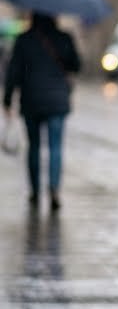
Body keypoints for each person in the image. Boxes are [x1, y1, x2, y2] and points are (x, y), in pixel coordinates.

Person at [2, 11, 81, 209]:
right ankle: (54, 188)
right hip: (57, 100)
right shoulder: (64, 38)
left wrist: (7, 99)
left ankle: (35, 191)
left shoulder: (24, 40)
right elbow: (77, 65)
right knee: (55, 147)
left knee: (34, 147)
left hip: (31, 100)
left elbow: (13, 72)